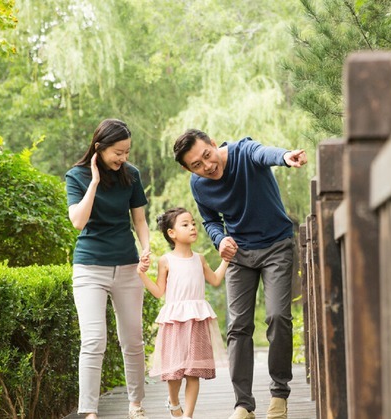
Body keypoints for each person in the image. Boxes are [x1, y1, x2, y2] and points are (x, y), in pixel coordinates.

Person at [173, 130, 308, 419]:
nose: (207, 166)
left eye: (207, 155)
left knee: (277, 316)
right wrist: (220, 239)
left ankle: (279, 395)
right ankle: (243, 404)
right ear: (188, 169)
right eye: (196, 165)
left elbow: (265, 153)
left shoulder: (243, 152)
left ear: (212, 144)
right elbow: (210, 219)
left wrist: (285, 157)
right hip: (239, 254)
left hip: (276, 246)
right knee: (238, 327)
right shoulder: (199, 185)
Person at [65, 118, 152, 419]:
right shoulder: (76, 176)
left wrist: (146, 248)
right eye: (118, 152)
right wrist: (94, 182)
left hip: (128, 267)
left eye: (127, 152)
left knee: (133, 339)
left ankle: (136, 404)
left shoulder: (132, 175)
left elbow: (139, 221)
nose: (123, 158)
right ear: (99, 148)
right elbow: (78, 221)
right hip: (89, 268)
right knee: (93, 340)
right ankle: (89, 412)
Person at [137, 207, 229, 419]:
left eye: (194, 224)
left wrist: (226, 259)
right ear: (172, 233)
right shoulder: (166, 261)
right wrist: (142, 275)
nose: (193, 228)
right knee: (175, 372)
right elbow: (159, 292)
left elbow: (215, 280)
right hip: (175, 322)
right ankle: (174, 402)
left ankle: (187, 416)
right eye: (185, 224)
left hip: (197, 321)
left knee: (193, 372)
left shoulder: (200, 259)